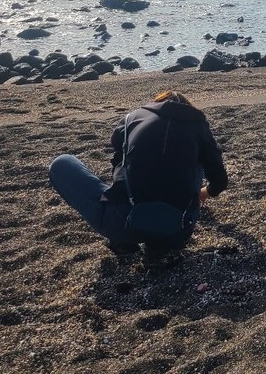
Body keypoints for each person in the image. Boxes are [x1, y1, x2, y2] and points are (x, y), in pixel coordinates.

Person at [48, 91, 229, 267]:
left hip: (123, 223)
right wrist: (203, 192)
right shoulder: (198, 125)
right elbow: (220, 181)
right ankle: (159, 246)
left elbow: (118, 153)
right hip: (178, 229)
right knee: (195, 157)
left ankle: (125, 240)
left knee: (62, 163)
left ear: (155, 104)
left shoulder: (132, 118)